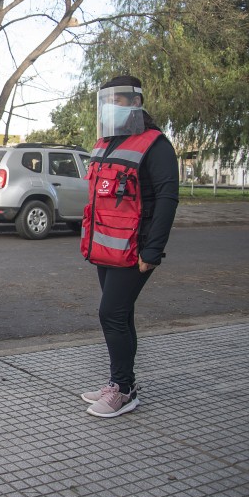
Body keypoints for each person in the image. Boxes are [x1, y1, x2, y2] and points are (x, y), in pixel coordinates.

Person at [79, 75, 179, 418]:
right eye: (108, 101)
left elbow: (167, 199)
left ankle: (123, 391)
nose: (112, 107)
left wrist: (152, 251)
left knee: (112, 314)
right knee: (121, 315)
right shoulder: (106, 142)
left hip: (136, 249)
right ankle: (121, 383)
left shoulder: (156, 145)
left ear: (136, 102)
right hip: (108, 248)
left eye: (118, 101)